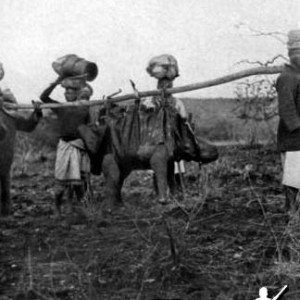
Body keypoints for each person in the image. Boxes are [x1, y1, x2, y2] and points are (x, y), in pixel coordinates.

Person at [40, 75, 91, 215]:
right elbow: (44, 97)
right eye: (65, 92)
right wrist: (56, 82)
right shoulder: (60, 107)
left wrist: (83, 82)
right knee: (60, 184)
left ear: (76, 93)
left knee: (78, 183)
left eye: (70, 92)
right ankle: (57, 207)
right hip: (64, 146)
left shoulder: (84, 108)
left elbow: (89, 128)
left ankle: (82, 210)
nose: (66, 94)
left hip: (78, 146)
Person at [146, 54, 188, 192]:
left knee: (167, 166)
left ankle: (171, 191)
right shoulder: (172, 102)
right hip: (162, 140)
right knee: (171, 166)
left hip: (162, 139)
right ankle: (173, 191)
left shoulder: (151, 102)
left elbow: (183, 118)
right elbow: (184, 118)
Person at [276, 29, 300, 215]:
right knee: (293, 177)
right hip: (293, 138)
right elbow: (286, 109)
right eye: (296, 52)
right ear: (290, 55)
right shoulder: (287, 77)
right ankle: (290, 213)